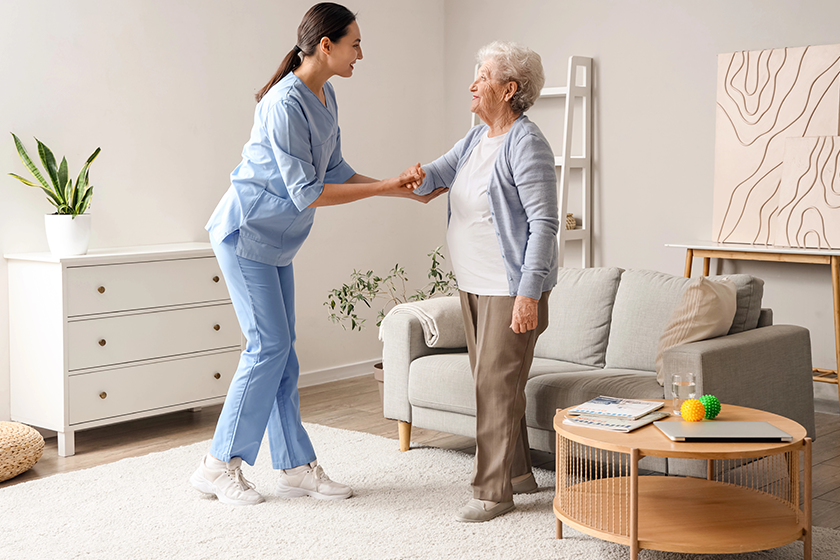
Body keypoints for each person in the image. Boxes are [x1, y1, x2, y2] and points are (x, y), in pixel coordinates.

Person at [190, 2, 440, 506]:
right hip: (245, 233)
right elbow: (308, 192)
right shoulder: (283, 103)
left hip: (277, 240)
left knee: (283, 353)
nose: (360, 54)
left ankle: (294, 468)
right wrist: (386, 187)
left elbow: (337, 171)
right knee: (267, 347)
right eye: (355, 44)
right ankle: (216, 466)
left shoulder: (325, 95)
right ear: (326, 45)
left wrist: (399, 190)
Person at [411, 41, 559, 522]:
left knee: (494, 386)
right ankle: (517, 473)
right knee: (495, 383)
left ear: (509, 89)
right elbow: (437, 174)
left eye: (483, 76)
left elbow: (544, 224)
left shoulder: (527, 143)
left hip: (508, 288)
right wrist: (411, 178)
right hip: (473, 284)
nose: (472, 84)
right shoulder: (477, 138)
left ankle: (492, 492)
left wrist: (528, 294)